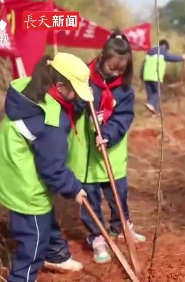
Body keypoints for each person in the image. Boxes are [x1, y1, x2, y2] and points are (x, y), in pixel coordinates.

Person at [0, 52, 92, 281]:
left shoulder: (32, 89)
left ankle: (56, 255)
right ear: (60, 87)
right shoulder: (51, 120)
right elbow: (52, 168)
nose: (76, 98)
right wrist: (73, 188)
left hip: (13, 169)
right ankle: (22, 277)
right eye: (75, 92)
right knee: (33, 240)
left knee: (45, 218)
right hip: (25, 185)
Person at [67, 31, 146, 264]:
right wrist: (83, 97)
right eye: (111, 68)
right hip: (86, 153)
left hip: (111, 150)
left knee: (118, 192)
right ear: (102, 58)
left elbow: (124, 116)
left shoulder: (124, 89)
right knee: (90, 197)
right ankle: (97, 236)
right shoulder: (84, 77)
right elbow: (71, 106)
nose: (114, 74)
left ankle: (121, 226)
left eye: (120, 70)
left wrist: (109, 134)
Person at [141, 39, 185, 114]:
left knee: (151, 94)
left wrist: (141, 76)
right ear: (165, 46)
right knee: (158, 92)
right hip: (155, 75)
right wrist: (182, 57)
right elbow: (172, 58)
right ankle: (151, 104)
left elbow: (143, 65)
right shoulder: (162, 50)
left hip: (146, 75)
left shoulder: (149, 51)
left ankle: (154, 111)